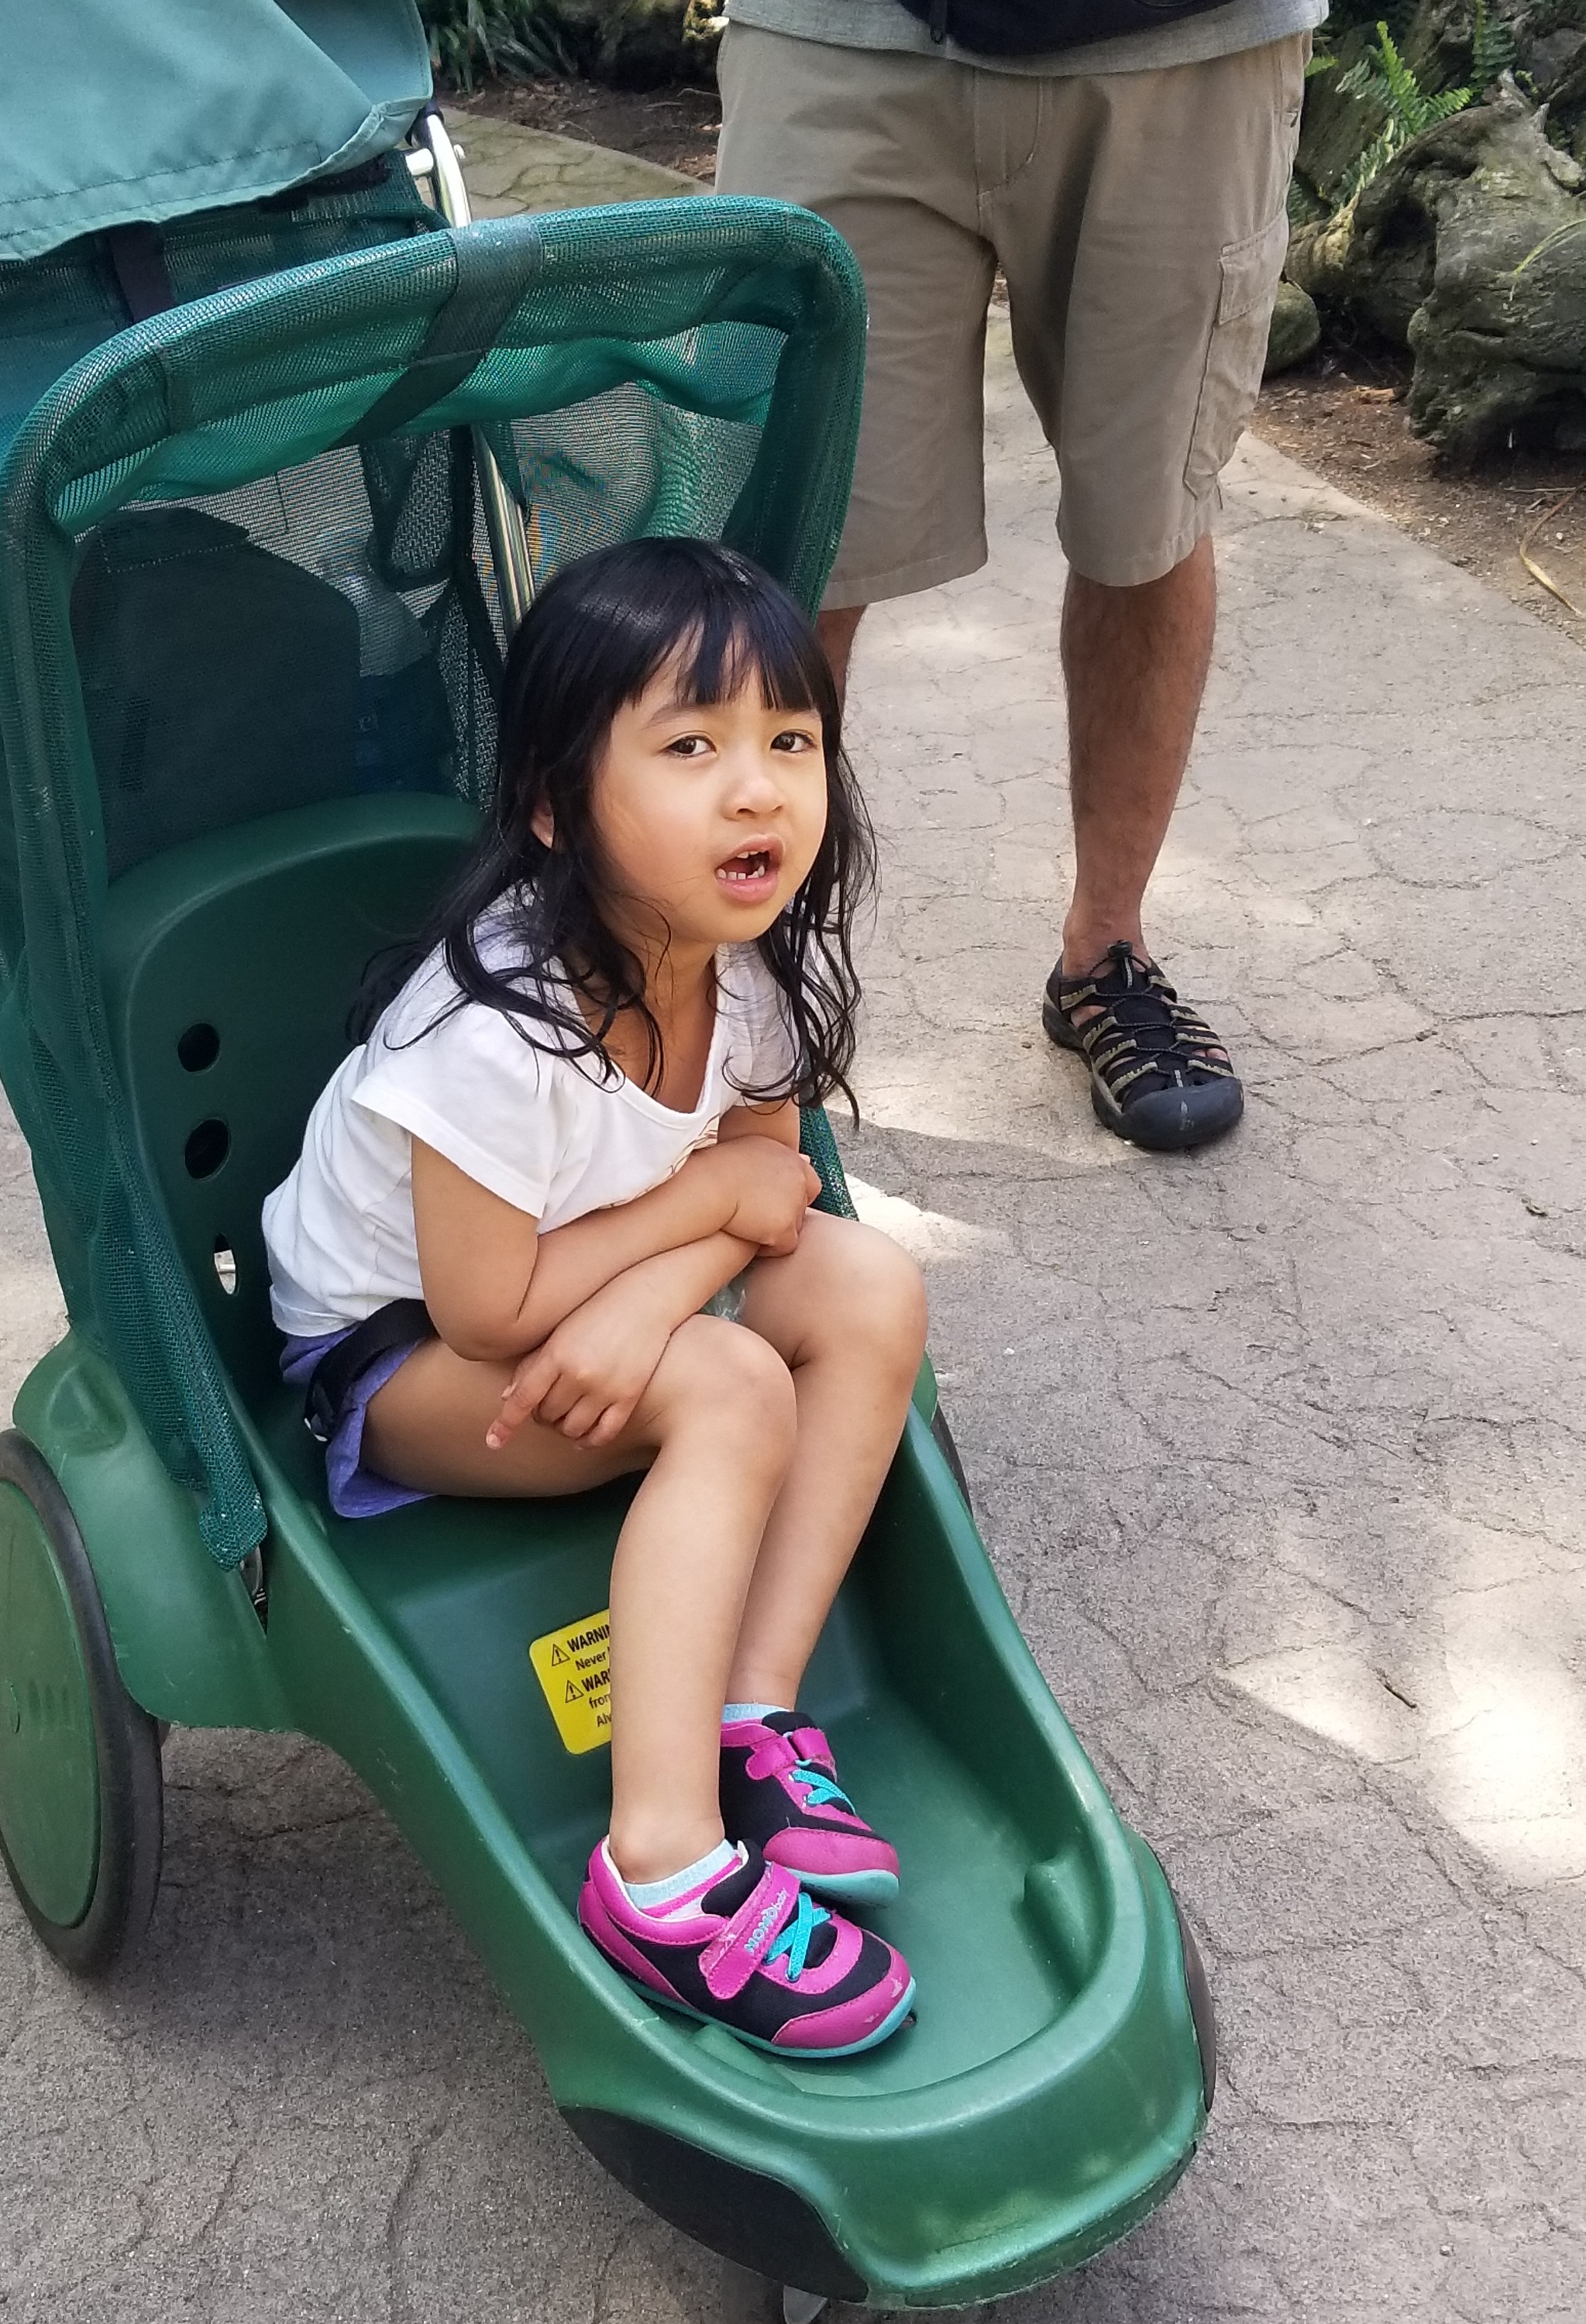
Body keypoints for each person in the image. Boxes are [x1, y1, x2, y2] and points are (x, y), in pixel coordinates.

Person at [262, 538, 926, 2058]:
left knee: (871, 1288)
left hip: (587, 1288)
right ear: (558, 803)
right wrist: (698, 1223)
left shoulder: (744, 966)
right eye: (691, 747)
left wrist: (658, 1290)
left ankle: (754, 1712)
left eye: (790, 742)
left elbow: (774, 1186)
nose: (757, 791)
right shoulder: (496, 1028)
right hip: (403, 1353)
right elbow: (492, 1313)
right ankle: (661, 1874)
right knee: (735, 1385)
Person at [716, 0, 1321, 1151]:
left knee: (1146, 525)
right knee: (791, 558)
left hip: (1184, 47)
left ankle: (1107, 955)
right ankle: (732, 989)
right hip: (838, 34)